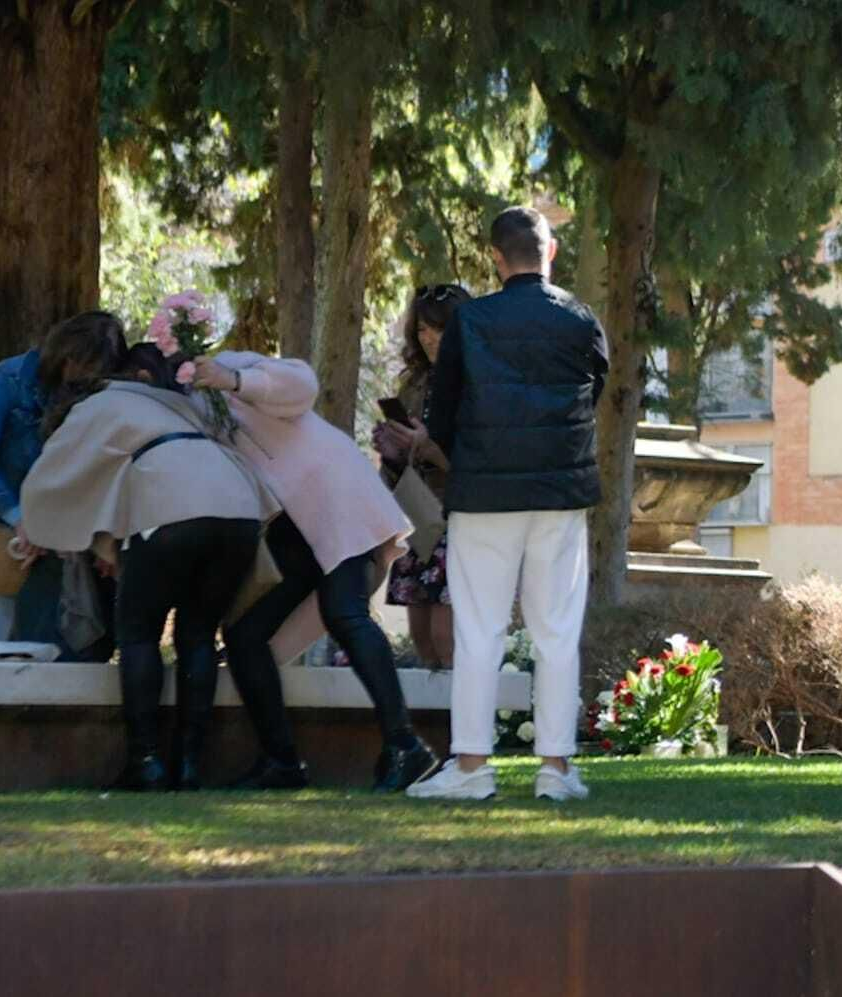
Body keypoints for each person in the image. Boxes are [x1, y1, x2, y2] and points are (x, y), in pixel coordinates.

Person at [405, 206, 609, 802]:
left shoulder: (470, 322)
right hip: (558, 492)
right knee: (556, 631)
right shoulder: (579, 318)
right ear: (550, 252)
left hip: (484, 493)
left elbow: (441, 413)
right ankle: (555, 769)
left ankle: (471, 767)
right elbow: (594, 389)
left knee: (478, 632)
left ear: (496, 258)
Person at [20, 346, 280, 792]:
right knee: (197, 634)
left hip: (171, 507)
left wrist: (31, 521)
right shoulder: (181, 405)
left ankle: (146, 761)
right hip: (239, 510)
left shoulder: (101, 401)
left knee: (138, 632)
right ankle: (189, 767)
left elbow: (57, 468)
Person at [181, 347, 439, 793]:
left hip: (335, 495)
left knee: (345, 612)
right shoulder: (183, 407)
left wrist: (230, 378)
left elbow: (301, 383)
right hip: (292, 522)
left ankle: (406, 746)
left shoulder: (231, 365)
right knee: (245, 636)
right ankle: (281, 762)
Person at [0, 312, 125, 653]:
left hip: (55, 531)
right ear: (68, 356)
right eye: (89, 367)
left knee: (45, 642)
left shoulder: (99, 395)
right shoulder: (7, 379)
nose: (93, 379)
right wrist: (18, 519)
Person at [375, 283, 472, 669]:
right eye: (421, 330)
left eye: (438, 328)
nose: (429, 338)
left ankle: (464, 726)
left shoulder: (478, 383)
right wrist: (395, 453)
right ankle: (435, 727)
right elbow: (402, 469)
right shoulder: (413, 382)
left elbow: (485, 462)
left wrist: (431, 449)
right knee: (421, 640)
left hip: (462, 518)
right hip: (420, 517)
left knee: (445, 637)